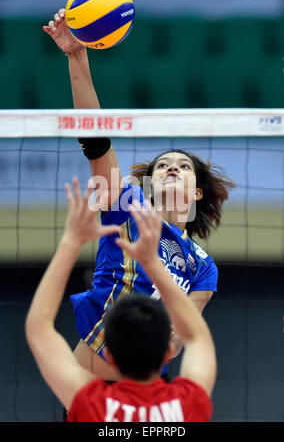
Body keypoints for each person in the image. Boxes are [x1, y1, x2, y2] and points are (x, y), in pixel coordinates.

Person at [43, 9, 235, 381]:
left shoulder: (202, 267)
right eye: (162, 166)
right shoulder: (125, 206)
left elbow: (180, 338)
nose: (171, 168)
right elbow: (95, 140)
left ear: (196, 191)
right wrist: (76, 57)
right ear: (150, 185)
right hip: (89, 383)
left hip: (147, 391)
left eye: (182, 166)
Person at [25, 178, 217, 422]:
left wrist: (71, 241)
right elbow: (198, 336)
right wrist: (152, 263)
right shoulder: (188, 405)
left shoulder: (90, 404)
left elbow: (38, 329)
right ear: (168, 351)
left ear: (111, 357)